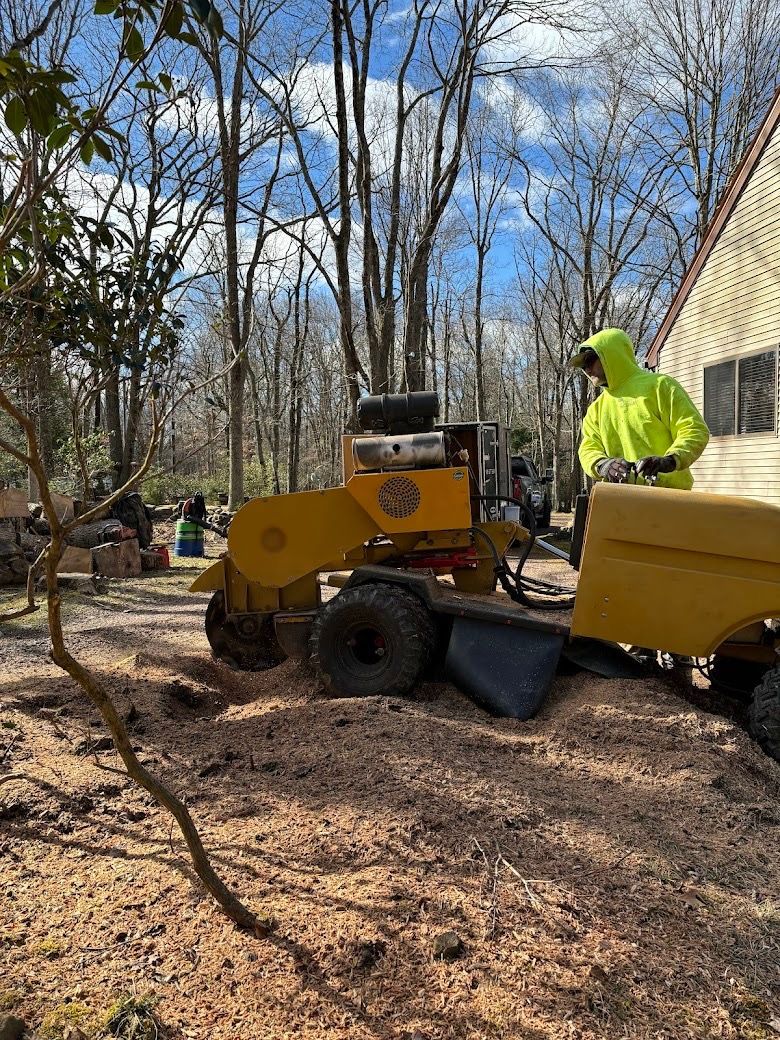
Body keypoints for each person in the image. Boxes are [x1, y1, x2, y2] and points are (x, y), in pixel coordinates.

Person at [570, 327, 709, 488]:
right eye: (583, 365)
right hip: (621, 500)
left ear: (611, 355)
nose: (587, 369)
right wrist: (603, 465)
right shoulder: (596, 410)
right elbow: (588, 448)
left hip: (670, 497)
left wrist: (670, 460)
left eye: (590, 360)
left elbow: (694, 429)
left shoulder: (659, 386)